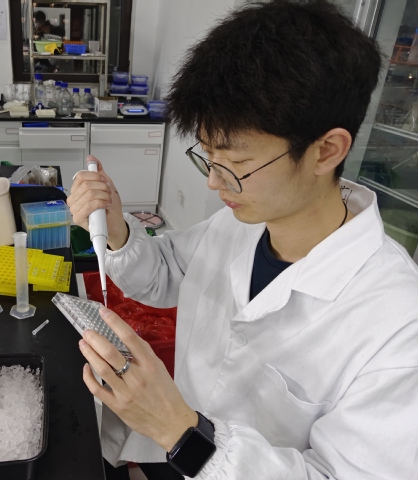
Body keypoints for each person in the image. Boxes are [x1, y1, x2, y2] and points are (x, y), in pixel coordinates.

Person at [67, 1, 418, 479]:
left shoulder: (398, 326)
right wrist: (117, 227)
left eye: (235, 163)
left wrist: (181, 433)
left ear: (326, 151)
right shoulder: (240, 222)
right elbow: (167, 273)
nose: (214, 182)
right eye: (208, 157)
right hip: (164, 455)